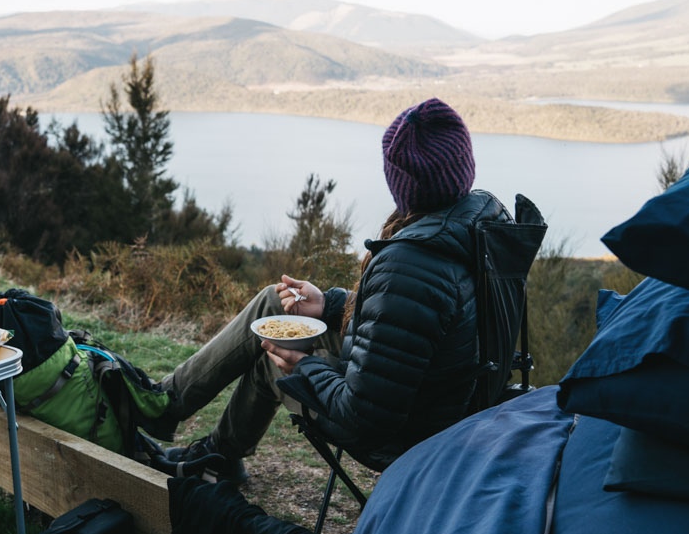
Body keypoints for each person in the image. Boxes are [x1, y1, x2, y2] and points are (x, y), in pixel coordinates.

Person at [159, 97, 512, 482]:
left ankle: (193, 433)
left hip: (407, 435)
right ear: (463, 166)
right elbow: (407, 329)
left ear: (401, 182)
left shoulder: (413, 263)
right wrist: (329, 304)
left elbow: (365, 418)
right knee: (273, 304)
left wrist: (305, 365)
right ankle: (170, 405)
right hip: (439, 404)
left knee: (272, 357)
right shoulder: (477, 225)